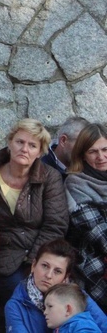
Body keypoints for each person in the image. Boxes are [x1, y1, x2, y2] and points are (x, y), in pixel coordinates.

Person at [0, 118, 68, 306]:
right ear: (10, 143)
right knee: (23, 300)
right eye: (20, 142)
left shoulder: (50, 177)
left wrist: (35, 262)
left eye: (32, 145)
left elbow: (56, 224)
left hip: (40, 257)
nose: (24, 149)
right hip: (1, 258)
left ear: (40, 152)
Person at [5, 239, 107, 332]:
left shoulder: (77, 296)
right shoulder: (15, 306)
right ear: (33, 265)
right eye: (44, 266)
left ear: (65, 276)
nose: (48, 275)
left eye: (57, 271)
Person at [64, 122, 107, 312]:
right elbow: (101, 236)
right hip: (94, 267)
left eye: (105, 149)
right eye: (93, 152)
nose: (101, 157)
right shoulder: (76, 184)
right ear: (82, 154)